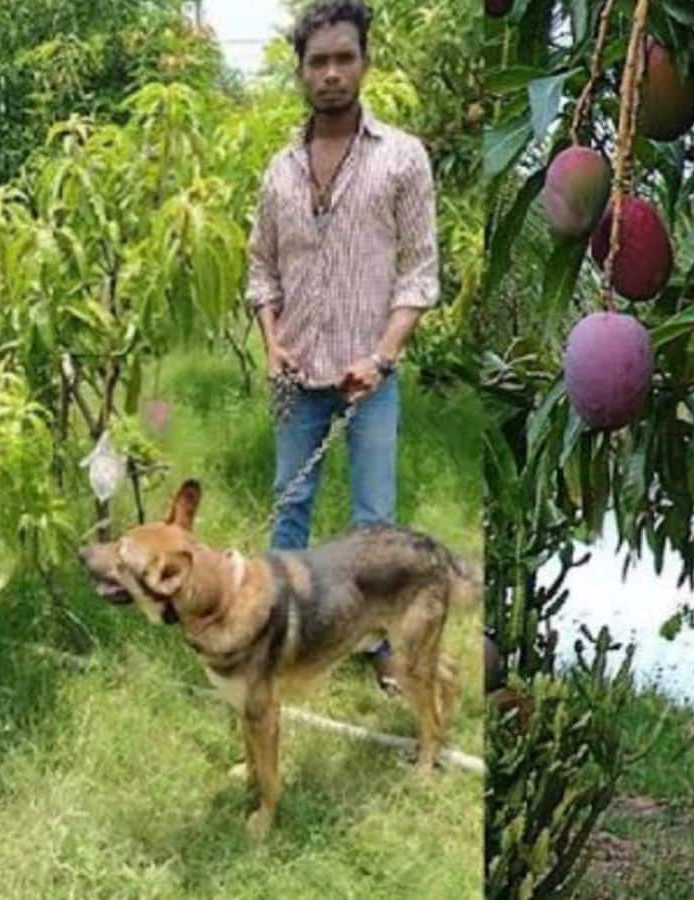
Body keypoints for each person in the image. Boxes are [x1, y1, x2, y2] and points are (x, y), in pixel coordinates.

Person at [245, 0, 439, 693]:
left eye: (342, 59)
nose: (330, 74)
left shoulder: (402, 160)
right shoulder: (278, 172)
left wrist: (381, 356)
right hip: (298, 377)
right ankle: (274, 630)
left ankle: (379, 648)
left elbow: (420, 274)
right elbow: (261, 271)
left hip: (370, 376)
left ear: (364, 62)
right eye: (317, 62)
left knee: (372, 524)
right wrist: (272, 345)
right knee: (288, 504)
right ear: (299, 71)